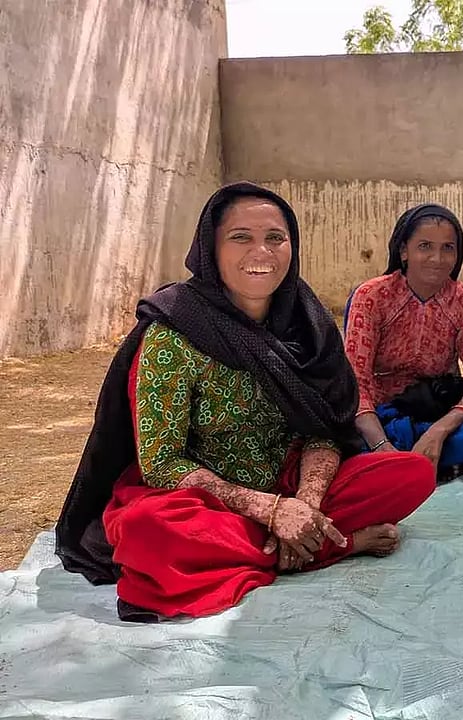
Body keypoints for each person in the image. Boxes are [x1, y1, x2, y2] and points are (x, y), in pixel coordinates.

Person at [54, 182, 436, 621]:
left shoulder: (306, 324)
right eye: (241, 237)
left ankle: (291, 540)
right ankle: (330, 546)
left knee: (412, 472)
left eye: (275, 237)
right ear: (210, 249)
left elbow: (323, 429)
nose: (262, 251)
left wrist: (304, 507)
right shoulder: (173, 332)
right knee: (148, 532)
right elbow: (162, 463)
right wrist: (269, 511)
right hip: (206, 499)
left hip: (291, 481)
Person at [343, 204, 463, 478]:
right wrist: (381, 446)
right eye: (425, 246)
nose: (437, 258)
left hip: (440, 415)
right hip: (379, 421)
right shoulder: (372, 296)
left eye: (448, 248)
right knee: (333, 436)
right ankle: (426, 459)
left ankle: (423, 456)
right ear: (403, 251)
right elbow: (355, 383)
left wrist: (440, 430)